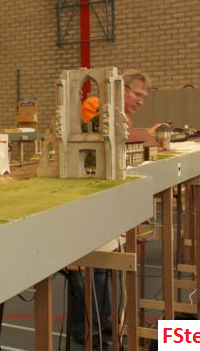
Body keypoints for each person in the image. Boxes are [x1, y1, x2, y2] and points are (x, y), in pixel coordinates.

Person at [70, 69, 152, 347]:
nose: (140, 101)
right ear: (122, 89)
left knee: (104, 267)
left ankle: (101, 322)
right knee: (87, 270)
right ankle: (85, 328)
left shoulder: (125, 117)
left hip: (105, 199)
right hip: (85, 198)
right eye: (137, 94)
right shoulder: (95, 106)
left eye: (144, 97)